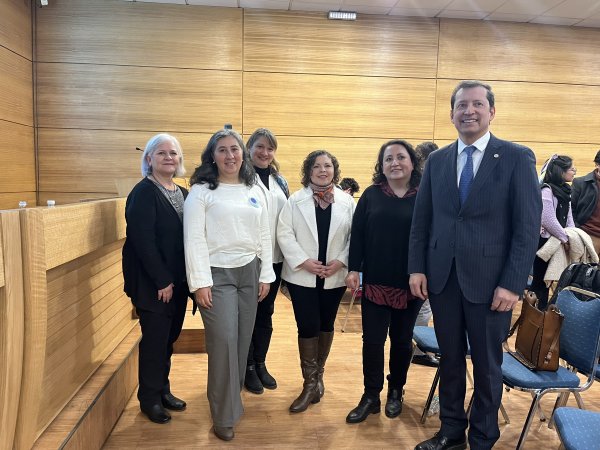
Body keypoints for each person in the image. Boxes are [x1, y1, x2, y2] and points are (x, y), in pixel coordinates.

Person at [408, 80, 541, 450]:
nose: (469, 111)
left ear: (491, 111)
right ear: (452, 114)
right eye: (461, 105)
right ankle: (451, 431)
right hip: (443, 279)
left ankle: (483, 437)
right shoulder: (437, 160)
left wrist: (513, 284)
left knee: (486, 367)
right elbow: (423, 220)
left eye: (477, 104)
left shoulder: (516, 157)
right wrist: (416, 267)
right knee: (449, 360)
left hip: (491, 285)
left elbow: (527, 227)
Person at [183, 129, 275, 441]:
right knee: (222, 343)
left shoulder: (254, 187)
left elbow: (264, 232)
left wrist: (265, 275)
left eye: (234, 149)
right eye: (222, 150)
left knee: (240, 341)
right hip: (215, 274)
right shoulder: (201, 191)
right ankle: (222, 416)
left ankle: (231, 403)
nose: (230, 155)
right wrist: (199, 282)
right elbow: (193, 238)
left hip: (249, 272)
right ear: (212, 156)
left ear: (243, 153)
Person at [344, 140, 424, 424]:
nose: (395, 163)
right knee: (372, 342)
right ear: (382, 165)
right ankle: (370, 396)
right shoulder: (371, 195)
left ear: (412, 162)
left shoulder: (424, 195)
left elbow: (429, 237)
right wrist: (354, 268)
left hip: (411, 283)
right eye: (388, 158)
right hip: (376, 280)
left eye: (401, 157)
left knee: (402, 342)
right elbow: (359, 235)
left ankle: (395, 390)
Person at [277, 150, 355, 413]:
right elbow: (284, 234)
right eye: (317, 166)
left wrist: (341, 262)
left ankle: (317, 378)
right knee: (307, 325)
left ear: (335, 170)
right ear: (308, 171)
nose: (323, 170)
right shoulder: (294, 200)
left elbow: (355, 237)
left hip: (334, 276)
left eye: (328, 166)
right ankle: (309, 384)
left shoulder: (347, 201)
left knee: (326, 324)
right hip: (303, 276)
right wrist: (303, 261)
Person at [122, 133, 189, 424]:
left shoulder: (184, 192)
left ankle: (163, 389)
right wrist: (162, 280)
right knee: (154, 342)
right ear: (149, 159)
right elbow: (142, 241)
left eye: (173, 153)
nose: (168, 158)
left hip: (178, 283)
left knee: (169, 339)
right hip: (154, 284)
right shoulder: (144, 192)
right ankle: (149, 400)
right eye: (161, 153)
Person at [244, 128, 289, 394]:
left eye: (270, 148)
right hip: (251, 260)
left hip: (276, 259)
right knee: (249, 315)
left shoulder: (279, 181)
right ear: (249, 148)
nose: (265, 153)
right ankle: (247, 367)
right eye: (260, 147)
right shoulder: (241, 179)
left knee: (266, 314)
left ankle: (261, 363)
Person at [530, 155, 576, 310]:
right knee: (540, 282)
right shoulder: (547, 190)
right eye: (571, 168)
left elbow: (569, 217)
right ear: (561, 172)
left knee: (552, 282)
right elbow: (547, 219)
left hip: (559, 242)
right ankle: (535, 315)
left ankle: (544, 316)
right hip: (544, 244)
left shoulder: (565, 190)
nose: (574, 171)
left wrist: (572, 236)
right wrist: (565, 238)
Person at [412, 141, 440, 368]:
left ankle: (416, 346)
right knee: (423, 305)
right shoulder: (430, 186)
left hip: (422, 255)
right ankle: (418, 348)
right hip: (426, 256)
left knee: (422, 305)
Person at [572, 150, 600, 255]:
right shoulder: (580, 183)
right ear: (597, 164)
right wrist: (577, 231)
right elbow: (571, 209)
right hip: (588, 235)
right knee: (586, 270)